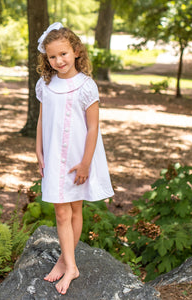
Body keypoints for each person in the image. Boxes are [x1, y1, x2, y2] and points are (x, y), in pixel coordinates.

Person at [35, 22, 114, 295]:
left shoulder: (86, 86)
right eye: (53, 56)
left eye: (64, 54)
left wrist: (85, 163)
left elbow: (93, 127)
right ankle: (70, 264)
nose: (59, 61)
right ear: (47, 58)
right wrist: (38, 149)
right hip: (54, 154)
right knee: (60, 210)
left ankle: (67, 263)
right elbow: (42, 120)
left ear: (76, 51)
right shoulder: (45, 84)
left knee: (75, 209)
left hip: (78, 157)